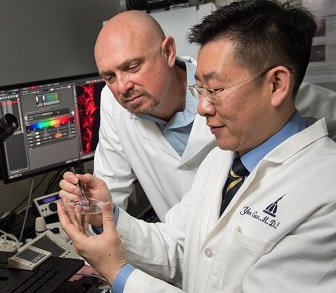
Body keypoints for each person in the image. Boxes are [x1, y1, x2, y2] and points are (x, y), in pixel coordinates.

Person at [58, 0, 336, 292]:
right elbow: (178, 246)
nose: (201, 108)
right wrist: (105, 213)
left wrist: (120, 274)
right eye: (199, 89)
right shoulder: (221, 161)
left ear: (277, 84)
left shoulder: (324, 196)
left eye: (214, 90)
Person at [93, 9, 336, 221]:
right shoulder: (114, 101)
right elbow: (108, 190)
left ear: (168, 52)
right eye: (110, 77)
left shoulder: (254, 88)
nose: (122, 86)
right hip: (178, 247)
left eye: (133, 67)